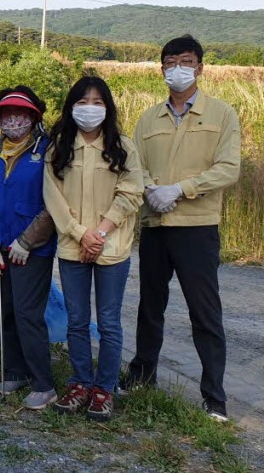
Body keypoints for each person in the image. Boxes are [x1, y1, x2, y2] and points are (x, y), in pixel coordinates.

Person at [124, 35, 241, 423]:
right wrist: (150, 189)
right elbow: (133, 164)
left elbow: (228, 168)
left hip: (197, 226)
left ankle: (214, 398)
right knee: (150, 306)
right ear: (161, 69)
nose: (178, 68)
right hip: (155, 223)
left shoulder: (221, 114)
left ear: (200, 67)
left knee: (204, 312)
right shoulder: (148, 118)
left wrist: (182, 189)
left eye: (186, 61)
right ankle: (143, 376)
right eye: (170, 62)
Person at [43, 76, 144, 421]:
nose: (90, 108)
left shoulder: (123, 146)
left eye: (98, 102)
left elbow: (131, 193)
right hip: (73, 247)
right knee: (77, 320)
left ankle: (105, 388)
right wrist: (79, 233)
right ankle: (80, 382)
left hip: (112, 247)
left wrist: (98, 233)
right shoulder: (59, 147)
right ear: (72, 107)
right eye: (83, 101)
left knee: (110, 323)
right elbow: (52, 197)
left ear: (108, 107)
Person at [0, 86, 58, 406]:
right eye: (7, 115)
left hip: (32, 251)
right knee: (3, 309)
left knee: (27, 313)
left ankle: (44, 384)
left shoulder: (48, 152)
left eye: (20, 115)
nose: (14, 121)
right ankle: (14, 372)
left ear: (33, 117)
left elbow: (55, 203)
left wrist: (28, 240)